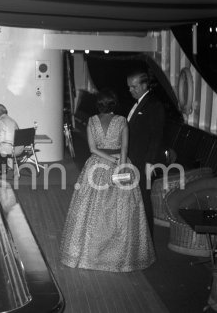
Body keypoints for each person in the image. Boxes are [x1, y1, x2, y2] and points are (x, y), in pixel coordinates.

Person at [60, 89, 155, 272]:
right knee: (123, 210)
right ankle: (121, 256)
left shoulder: (92, 121)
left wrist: (108, 160)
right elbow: (124, 148)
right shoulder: (121, 121)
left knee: (89, 208)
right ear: (114, 104)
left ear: (98, 105)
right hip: (119, 163)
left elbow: (92, 149)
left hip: (96, 166)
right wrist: (119, 164)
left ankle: (87, 254)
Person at [126, 70, 165, 238]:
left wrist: (149, 163)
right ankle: (137, 233)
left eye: (134, 87)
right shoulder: (139, 103)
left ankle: (146, 237)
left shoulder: (154, 105)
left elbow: (157, 137)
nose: (130, 90)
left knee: (144, 199)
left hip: (144, 161)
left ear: (144, 85)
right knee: (135, 197)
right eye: (129, 87)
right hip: (134, 158)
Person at [0, 104, 21, 174]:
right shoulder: (12, 120)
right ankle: (3, 167)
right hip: (18, 148)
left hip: (8, 149)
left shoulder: (0, 121)